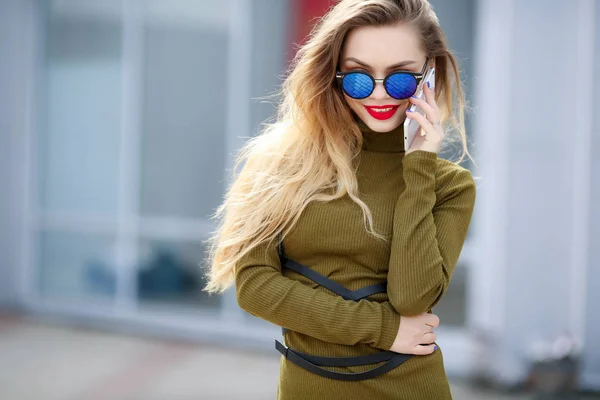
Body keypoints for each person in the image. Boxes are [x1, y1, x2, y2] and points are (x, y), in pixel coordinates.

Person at [204, 0, 476, 398]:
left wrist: (418, 167)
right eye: (359, 78)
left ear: (429, 76)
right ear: (333, 75)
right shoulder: (280, 166)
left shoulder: (449, 186)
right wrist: (384, 328)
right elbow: (256, 287)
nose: (379, 94)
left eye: (400, 79)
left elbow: (412, 297)